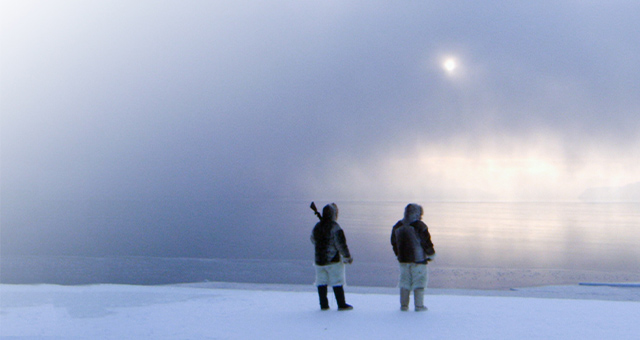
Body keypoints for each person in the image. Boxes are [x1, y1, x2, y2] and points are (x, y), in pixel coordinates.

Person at [391, 203, 435, 311]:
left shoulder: (397, 226)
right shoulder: (420, 226)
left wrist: (398, 255)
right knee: (419, 282)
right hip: (418, 260)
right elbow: (426, 243)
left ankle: (404, 306)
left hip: (403, 260)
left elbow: (394, 243)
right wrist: (431, 254)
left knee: (404, 282)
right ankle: (419, 306)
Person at [311, 203, 354, 311]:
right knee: (337, 282)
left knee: (321, 282)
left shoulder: (317, 226)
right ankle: (341, 304)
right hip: (332, 260)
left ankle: (324, 305)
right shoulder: (335, 228)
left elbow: (313, 239)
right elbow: (341, 245)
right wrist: (347, 257)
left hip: (319, 260)